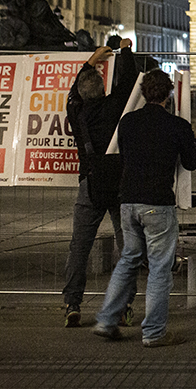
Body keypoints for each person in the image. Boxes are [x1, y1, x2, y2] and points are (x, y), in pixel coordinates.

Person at [92, 69, 196, 347]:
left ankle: (106, 320)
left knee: (129, 259)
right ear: (169, 94)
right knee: (159, 268)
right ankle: (153, 332)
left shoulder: (127, 122)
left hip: (128, 201)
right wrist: (192, 138)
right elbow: (191, 162)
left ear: (142, 92)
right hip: (157, 203)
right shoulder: (176, 125)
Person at [62, 38, 137, 328]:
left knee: (79, 247)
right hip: (119, 184)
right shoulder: (115, 106)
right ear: (103, 89)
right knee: (126, 248)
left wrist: (91, 60)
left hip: (90, 185)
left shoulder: (76, 111)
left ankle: (72, 303)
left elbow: (73, 92)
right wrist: (125, 51)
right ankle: (124, 306)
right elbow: (129, 83)